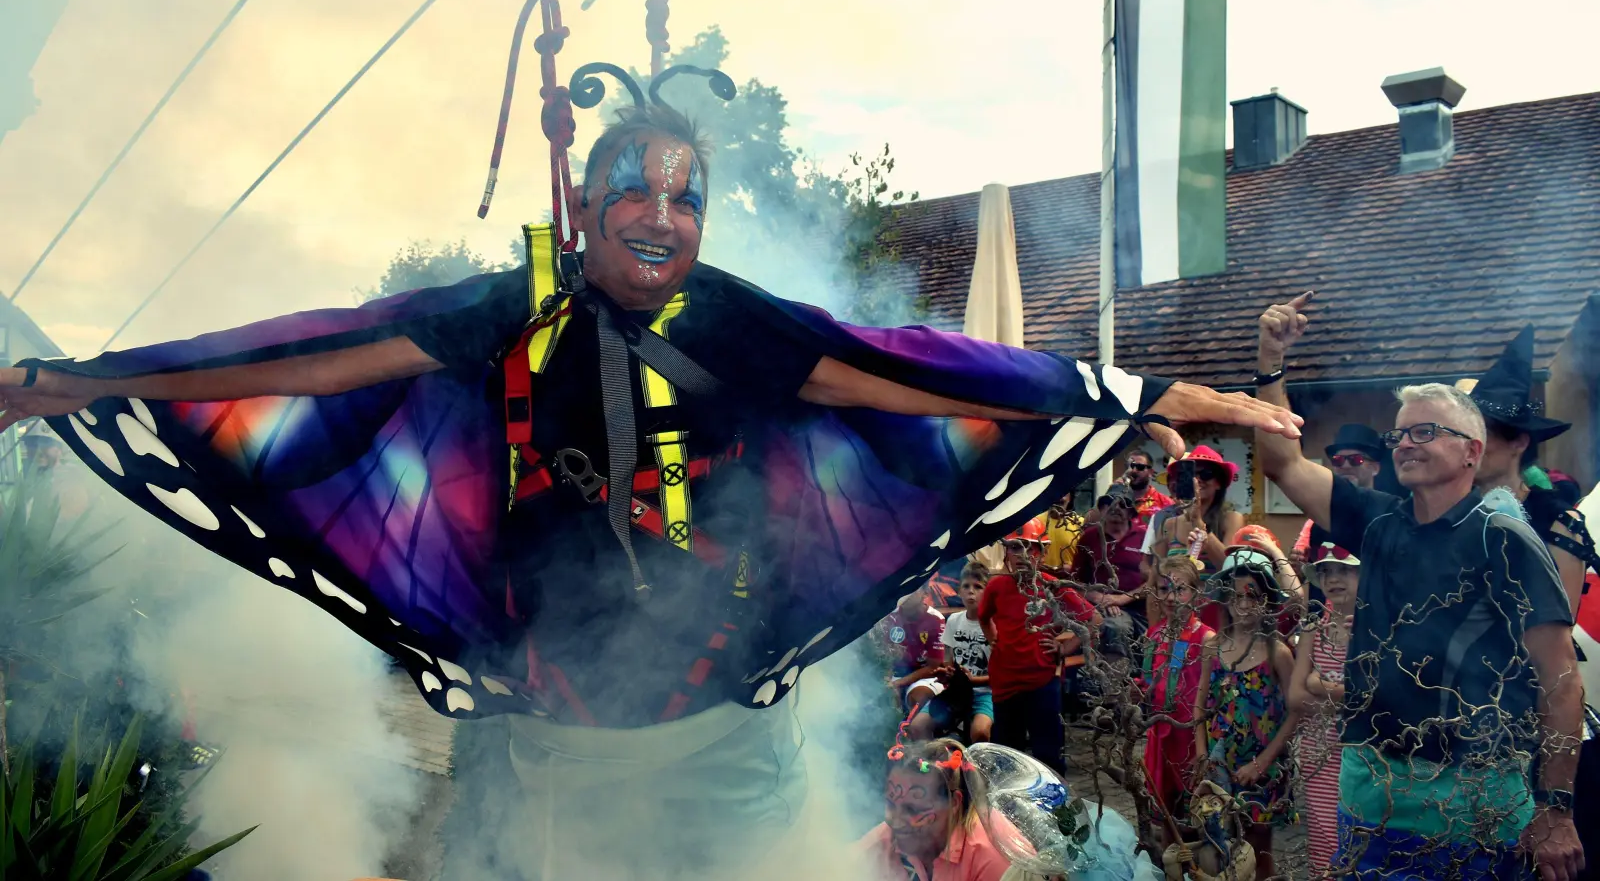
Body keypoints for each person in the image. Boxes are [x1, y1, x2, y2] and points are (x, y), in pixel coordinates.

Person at [0, 101, 1301, 876]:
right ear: (591, 203)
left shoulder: (735, 320)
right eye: (637, 187)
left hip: (719, 722)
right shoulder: (511, 301)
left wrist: (1167, 401)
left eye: (688, 197)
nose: (663, 216)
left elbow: (921, 377)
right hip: (539, 717)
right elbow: (326, 352)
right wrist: (73, 386)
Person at [1255, 292, 1584, 881]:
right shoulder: (1377, 519)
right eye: (1400, 435)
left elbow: (1561, 684)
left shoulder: (1506, 538)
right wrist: (1271, 360)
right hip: (1372, 793)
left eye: (1425, 432)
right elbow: (1284, 464)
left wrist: (1556, 810)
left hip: (1477, 803)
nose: (1404, 443)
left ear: (1471, 451)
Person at [1466, 324, 1600, 881]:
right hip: (1457, 725)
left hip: (1533, 723)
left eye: (1482, 433)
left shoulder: (1556, 520)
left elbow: (1550, 632)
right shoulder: (1445, 517)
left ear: (1518, 440)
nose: (1469, 446)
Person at [1192, 545, 1299, 878]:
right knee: (1219, 840)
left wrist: (1262, 762)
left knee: (1257, 844)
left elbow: (1295, 713)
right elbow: (1200, 703)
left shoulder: (1278, 652)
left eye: (1252, 595)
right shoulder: (1213, 646)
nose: (1243, 604)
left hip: (1261, 768)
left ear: (1266, 599)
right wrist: (1201, 753)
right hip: (1219, 762)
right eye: (1236, 596)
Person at [979, 538, 1099, 777]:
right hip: (1005, 684)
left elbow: (1094, 620)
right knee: (1005, 756)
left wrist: (1065, 649)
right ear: (1006, 554)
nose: (1022, 555)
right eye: (1014, 548)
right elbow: (983, 617)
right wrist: (993, 638)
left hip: (1042, 682)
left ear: (1042, 554)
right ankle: (1007, 811)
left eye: (1029, 548)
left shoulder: (1053, 586)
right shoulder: (997, 586)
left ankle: (1057, 810)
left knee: (1049, 756)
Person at [1289, 541, 1360, 877]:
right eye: (1327, 570)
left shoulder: (1373, 633)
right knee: (1324, 844)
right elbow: (1295, 699)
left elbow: (1378, 699)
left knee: (1359, 839)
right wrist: (1346, 697)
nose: (1335, 577)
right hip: (1320, 751)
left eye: (1345, 569)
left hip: (1362, 753)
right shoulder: (1312, 632)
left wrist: (1322, 685)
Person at [1136, 555, 1215, 839]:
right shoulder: (1154, 634)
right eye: (1163, 588)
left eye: (1180, 589)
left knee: (1196, 814)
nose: (1170, 597)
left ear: (1197, 594)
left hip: (1190, 739)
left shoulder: (1206, 639)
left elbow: (1211, 699)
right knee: (1165, 813)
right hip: (1159, 737)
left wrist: (1204, 749)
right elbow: (1147, 683)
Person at [858, 738, 1013, 881]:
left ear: (954, 803)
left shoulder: (992, 856)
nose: (894, 821)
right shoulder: (890, 838)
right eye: (891, 804)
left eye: (912, 809)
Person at [912, 562, 994, 743]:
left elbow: (1001, 673)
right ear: (959, 591)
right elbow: (948, 659)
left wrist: (974, 680)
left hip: (984, 691)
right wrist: (947, 672)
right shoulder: (954, 621)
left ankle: (976, 769)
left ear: (988, 591)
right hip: (956, 690)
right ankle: (932, 765)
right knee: (917, 726)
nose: (971, 591)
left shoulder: (994, 624)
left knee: (980, 732)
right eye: (966, 586)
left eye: (978, 587)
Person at [1290, 424, 1385, 564]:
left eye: (1356, 459)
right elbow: (1306, 573)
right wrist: (1299, 565)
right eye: (1338, 460)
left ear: (1375, 468)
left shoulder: (1390, 514)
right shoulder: (1317, 520)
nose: (1345, 466)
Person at [1070, 484, 1148, 634]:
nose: (1115, 507)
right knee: (1115, 627)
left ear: (1131, 511)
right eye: (1109, 502)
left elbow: (1154, 581)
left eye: (1122, 504)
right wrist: (1100, 598)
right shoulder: (1089, 537)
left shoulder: (1144, 537)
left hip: (1141, 608)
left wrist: (1121, 599)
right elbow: (1075, 582)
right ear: (1102, 508)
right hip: (1102, 608)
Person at [1155, 447, 1243, 573]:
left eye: (1206, 474)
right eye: (1191, 474)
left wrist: (1197, 521)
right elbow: (1156, 575)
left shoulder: (1231, 519)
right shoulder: (1169, 524)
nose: (1197, 480)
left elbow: (1229, 569)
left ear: (1219, 483)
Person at [885, 589, 949, 714]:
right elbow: (884, 655)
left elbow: (933, 666)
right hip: (896, 673)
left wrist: (899, 683)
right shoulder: (890, 616)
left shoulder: (935, 619)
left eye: (913, 590)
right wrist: (887, 680)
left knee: (918, 699)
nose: (906, 595)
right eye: (906, 588)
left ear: (925, 593)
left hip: (924, 675)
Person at [1123, 450, 1174, 520]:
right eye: (1130, 466)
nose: (1133, 470)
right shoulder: (1117, 499)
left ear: (1150, 472)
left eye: (1140, 467)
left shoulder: (1166, 503)